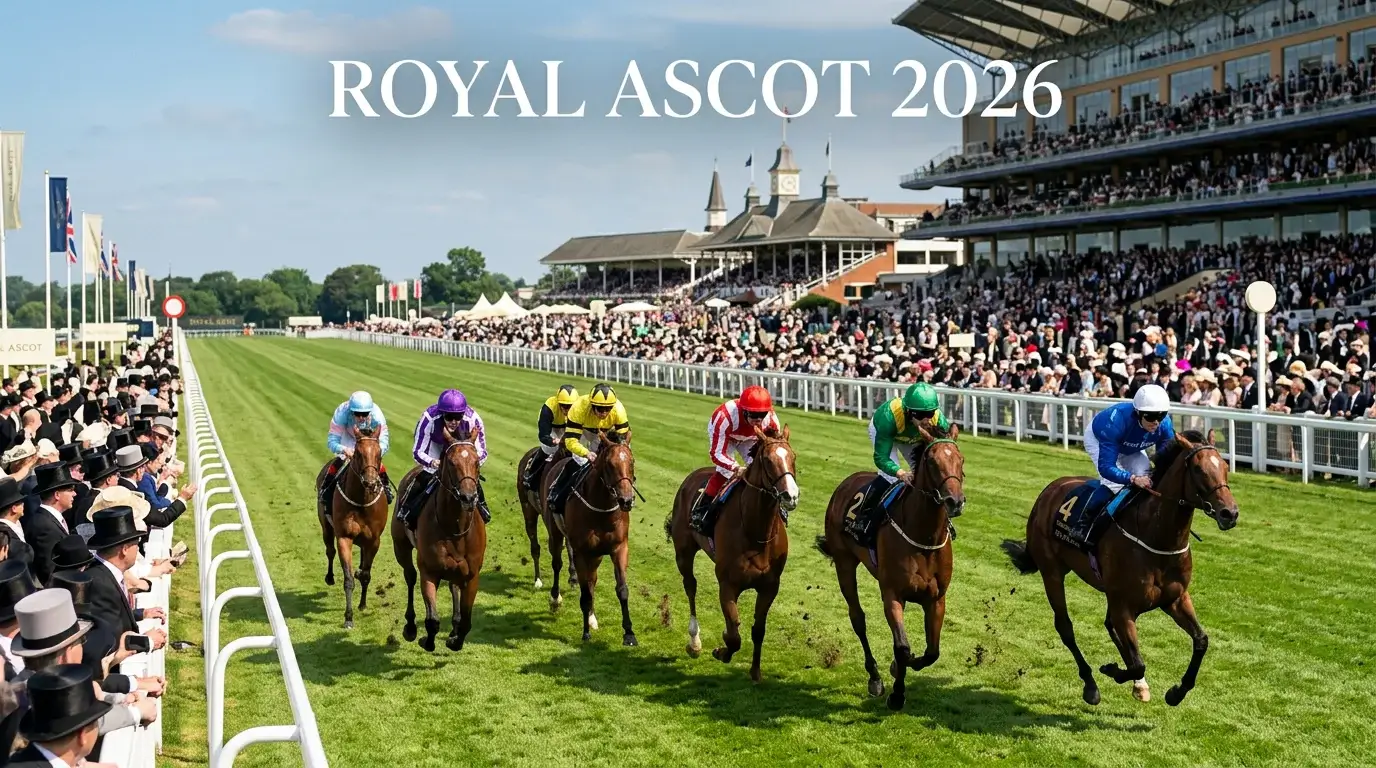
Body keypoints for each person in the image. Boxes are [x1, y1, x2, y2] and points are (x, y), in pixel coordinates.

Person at [1070, 383, 1177, 547]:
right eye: (1150, 416)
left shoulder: (1165, 424)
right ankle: (1084, 523)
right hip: (1100, 440)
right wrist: (1132, 478)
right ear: (1138, 413)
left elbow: (1167, 457)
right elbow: (1106, 468)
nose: (1156, 422)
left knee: (1148, 479)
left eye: (1161, 415)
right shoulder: (1116, 421)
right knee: (1113, 485)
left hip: (1130, 445)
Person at [847, 382, 950, 544]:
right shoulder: (889, 417)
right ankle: (865, 519)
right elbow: (881, 458)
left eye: (930, 413)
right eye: (921, 415)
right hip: (886, 433)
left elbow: (945, 448)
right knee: (892, 479)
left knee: (927, 475)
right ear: (909, 411)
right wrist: (900, 472)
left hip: (913, 437)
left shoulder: (937, 420)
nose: (926, 420)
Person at [689, 385, 780, 535]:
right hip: (727, 436)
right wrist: (736, 467)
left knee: (761, 469)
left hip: (750, 438)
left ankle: (775, 505)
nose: (758, 420)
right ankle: (702, 509)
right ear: (744, 410)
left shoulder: (770, 420)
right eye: (753, 415)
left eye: (762, 415)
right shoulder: (724, 417)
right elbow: (716, 454)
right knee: (726, 471)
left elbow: (773, 449)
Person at [397, 389, 488, 529]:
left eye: (458, 417)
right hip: (436, 447)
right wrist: (433, 462)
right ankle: (407, 510)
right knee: (425, 477)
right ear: (441, 413)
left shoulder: (473, 419)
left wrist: (470, 464)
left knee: (469, 480)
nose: (453, 421)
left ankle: (483, 509)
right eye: (449, 416)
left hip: (463, 449)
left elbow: (482, 451)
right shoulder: (429, 419)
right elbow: (418, 451)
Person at [546, 384, 628, 519]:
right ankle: (557, 492)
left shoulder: (618, 410)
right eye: (600, 409)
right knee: (581, 463)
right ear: (592, 405)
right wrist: (587, 453)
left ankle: (627, 492)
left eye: (607, 409)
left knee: (621, 463)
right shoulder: (579, 408)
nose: (604, 413)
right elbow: (571, 441)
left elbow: (623, 441)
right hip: (582, 432)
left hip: (603, 433)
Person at [319, 391, 392, 506]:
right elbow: (332, 441)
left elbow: (384, 441)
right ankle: (326, 489)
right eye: (357, 414)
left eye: (365, 414)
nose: (361, 417)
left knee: (372, 462)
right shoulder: (342, 413)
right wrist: (344, 449)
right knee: (341, 460)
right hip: (347, 437)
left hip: (369, 439)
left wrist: (374, 453)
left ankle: (386, 487)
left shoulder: (377, 416)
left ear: (370, 411)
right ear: (351, 411)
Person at [521, 385, 578, 492]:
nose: (567, 409)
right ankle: (532, 473)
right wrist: (553, 441)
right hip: (553, 427)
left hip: (570, 427)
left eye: (570, 406)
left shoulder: (580, 409)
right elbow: (543, 435)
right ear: (558, 403)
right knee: (549, 449)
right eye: (564, 406)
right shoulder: (548, 408)